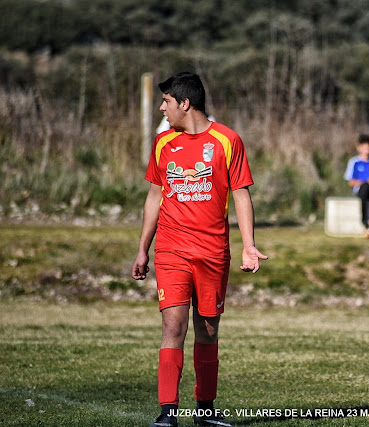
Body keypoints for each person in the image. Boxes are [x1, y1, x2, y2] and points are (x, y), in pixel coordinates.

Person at [132, 72, 268, 427]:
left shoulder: (227, 140)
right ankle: (167, 412)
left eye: (166, 102)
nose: (162, 108)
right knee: (173, 326)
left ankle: (205, 410)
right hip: (172, 250)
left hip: (212, 253)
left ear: (184, 103)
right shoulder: (163, 142)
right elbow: (154, 196)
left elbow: (241, 194)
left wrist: (249, 246)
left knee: (207, 329)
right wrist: (143, 248)